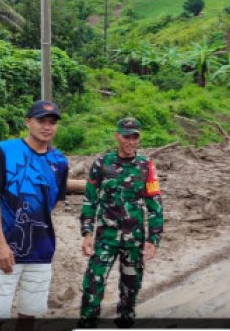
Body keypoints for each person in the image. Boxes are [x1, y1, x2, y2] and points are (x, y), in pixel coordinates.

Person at [0, 100, 69, 328]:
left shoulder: (59, 161)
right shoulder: (5, 150)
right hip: (7, 248)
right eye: (41, 121)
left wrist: (20, 218)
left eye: (52, 122)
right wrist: (0, 241)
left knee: (29, 315)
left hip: (42, 249)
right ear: (28, 122)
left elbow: (49, 203)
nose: (47, 127)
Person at [78, 117, 164, 328]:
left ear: (139, 138)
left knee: (130, 288)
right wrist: (87, 232)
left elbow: (155, 204)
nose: (130, 141)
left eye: (134, 136)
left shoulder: (146, 166)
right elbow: (90, 200)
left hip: (134, 240)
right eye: (126, 136)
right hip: (105, 239)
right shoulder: (102, 164)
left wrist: (153, 238)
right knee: (93, 283)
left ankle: (125, 322)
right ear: (117, 136)